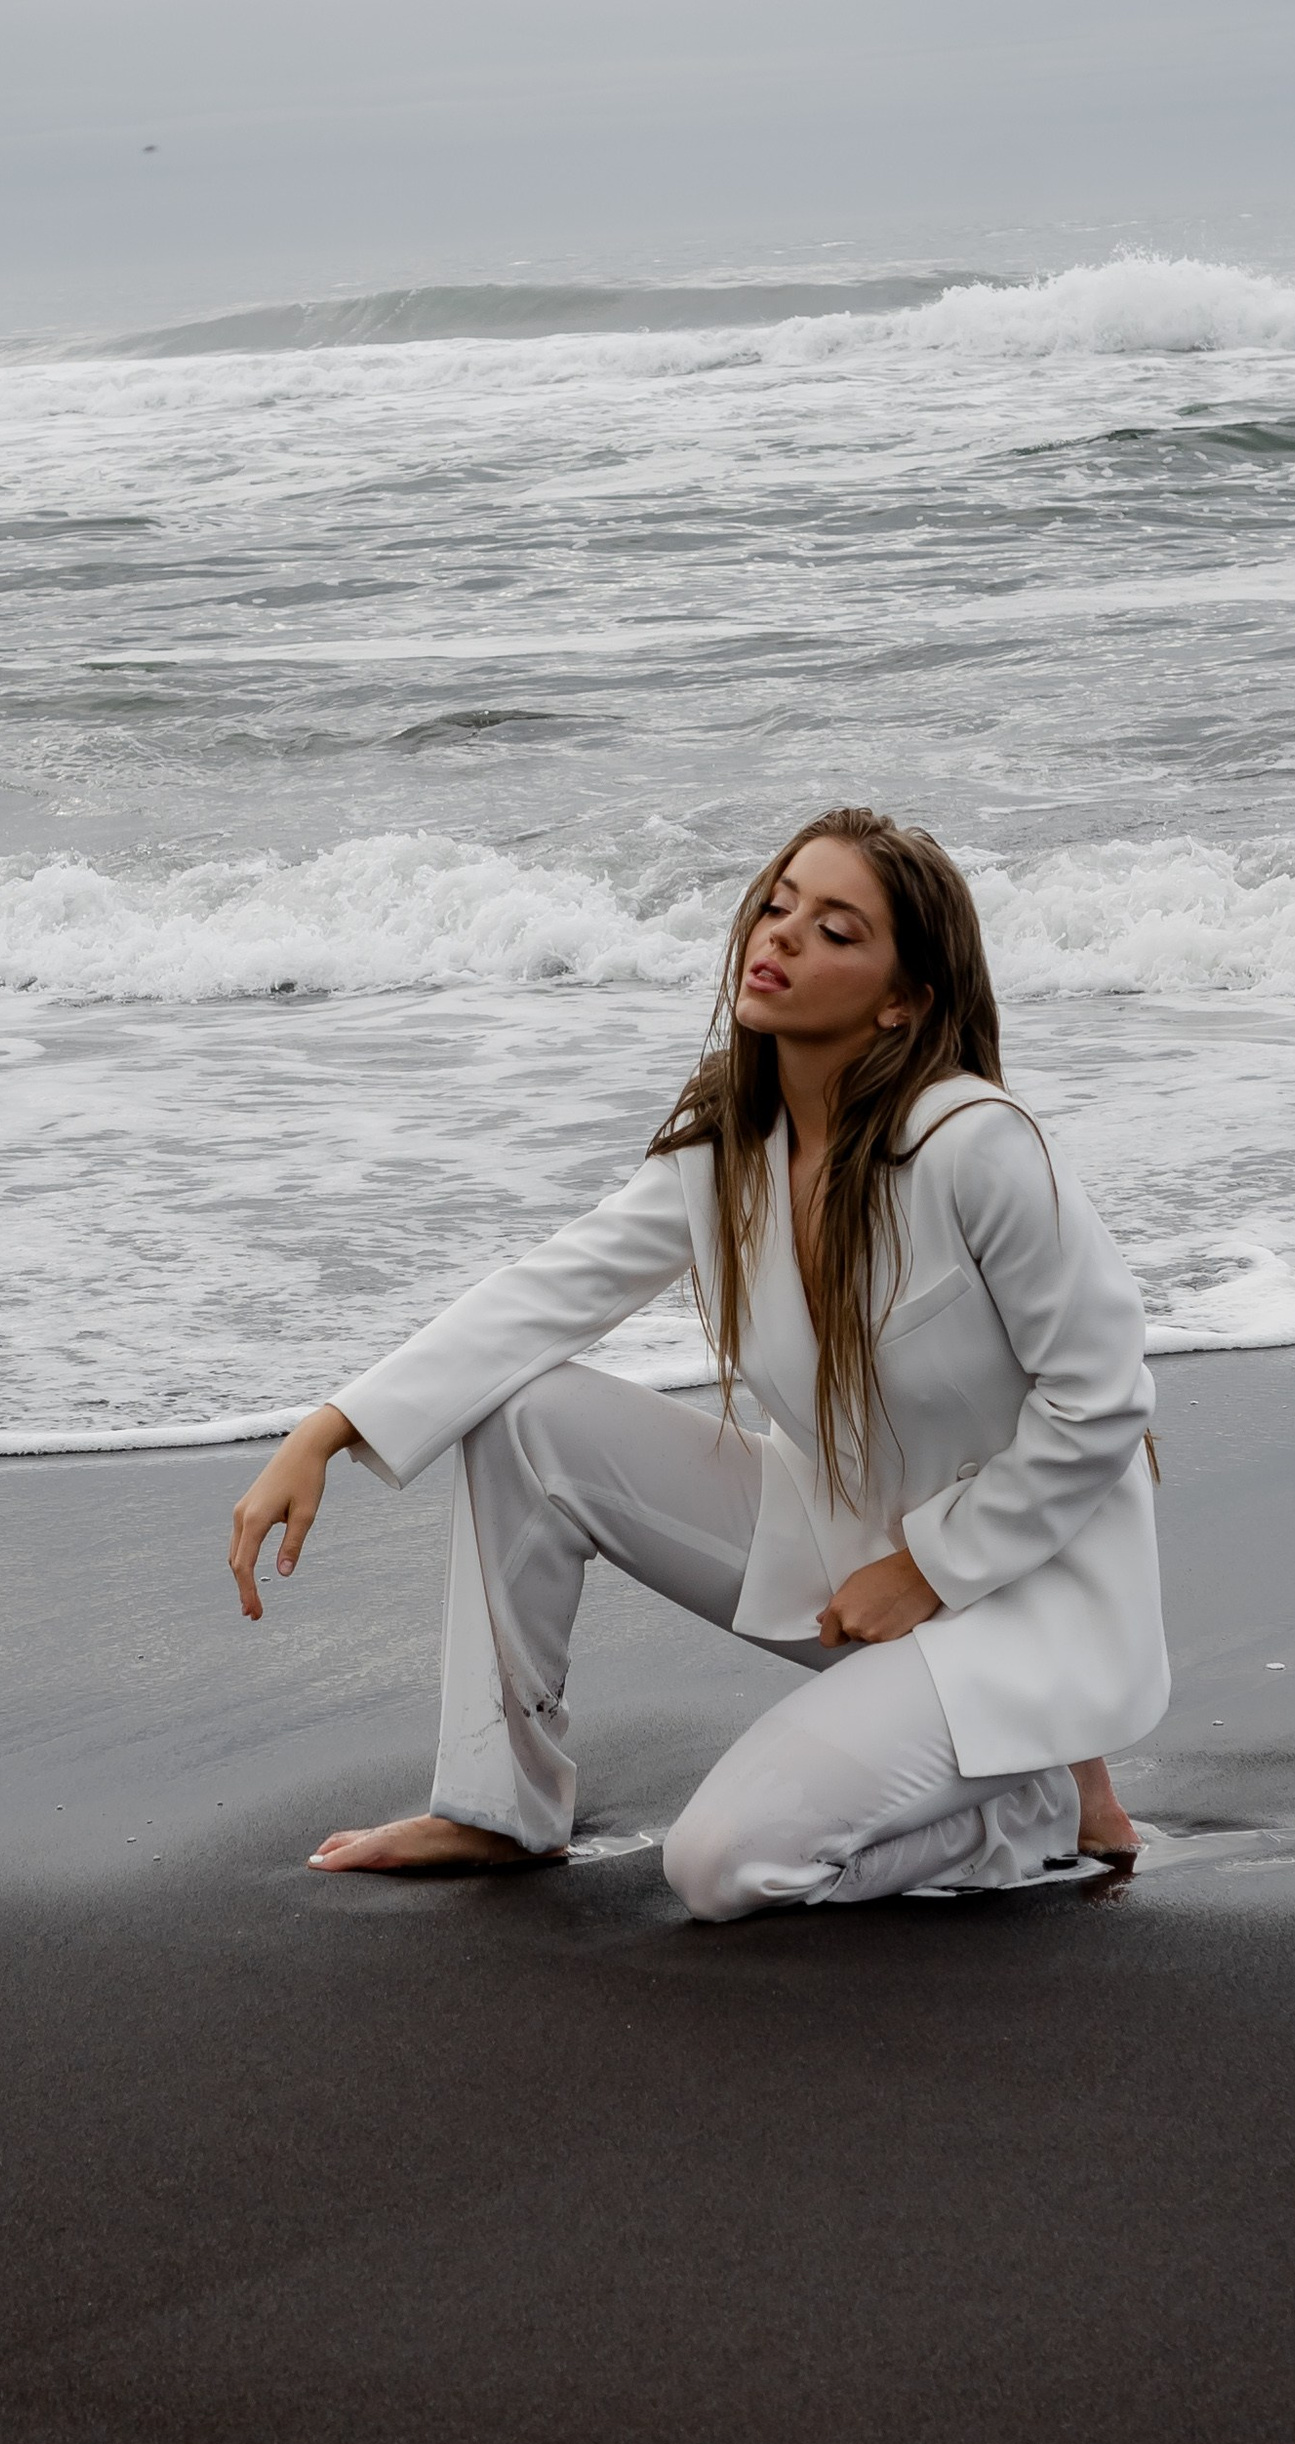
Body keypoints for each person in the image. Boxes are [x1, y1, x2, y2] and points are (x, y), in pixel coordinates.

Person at [226, 806, 1165, 1921]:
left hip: (1018, 1608)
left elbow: (1103, 1400)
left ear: (902, 1001)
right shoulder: (733, 1149)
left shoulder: (974, 1145)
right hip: (846, 1562)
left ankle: (1039, 1806)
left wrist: (929, 1569)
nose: (780, 939)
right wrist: (331, 1426)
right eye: (777, 907)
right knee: (526, 1414)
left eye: (835, 930)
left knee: (723, 1869)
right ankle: (500, 1807)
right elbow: (543, 1295)